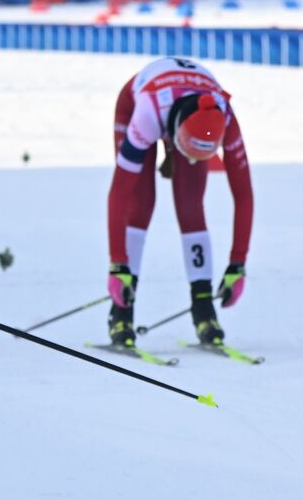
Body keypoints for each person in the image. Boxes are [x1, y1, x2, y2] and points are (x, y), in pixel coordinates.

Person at [106, 56, 253, 348]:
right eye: (187, 153)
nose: (189, 161)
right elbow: (119, 193)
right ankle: (121, 310)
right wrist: (117, 264)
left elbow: (244, 193)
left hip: (191, 119)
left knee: (190, 206)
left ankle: (203, 308)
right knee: (140, 203)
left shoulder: (223, 117)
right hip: (139, 103)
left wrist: (238, 262)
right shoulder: (147, 115)